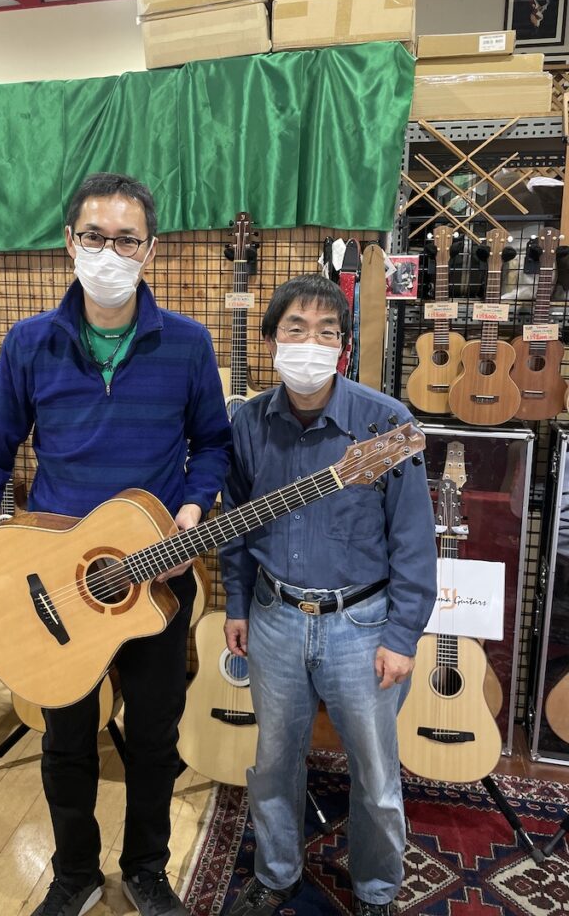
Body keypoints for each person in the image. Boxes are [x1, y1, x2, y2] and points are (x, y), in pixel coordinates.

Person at [0, 172, 232, 916]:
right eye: (95, 237)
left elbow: (214, 443)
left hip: (157, 582)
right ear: (69, 243)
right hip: (53, 583)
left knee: (155, 736)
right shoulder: (29, 343)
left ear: (151, 250)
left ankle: (146, 869)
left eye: (127, 240)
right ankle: (74, 873)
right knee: (65, 739)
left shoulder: (189, 344)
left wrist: (195, 505)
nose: (110, 252)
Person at [219, 274, 437, 916]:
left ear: (343, 346)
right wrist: (237, 603)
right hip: (274, 617)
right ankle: (277, 872)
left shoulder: (385, 422)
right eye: (295, 329)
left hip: (361, 625)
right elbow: (236, 523)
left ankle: (376, 889)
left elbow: (413, 541)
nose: (310, 343)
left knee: (375, 773)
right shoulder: (248, 422)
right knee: (273, 762)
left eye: (327, 332)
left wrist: (402, 636)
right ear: (270, 340)